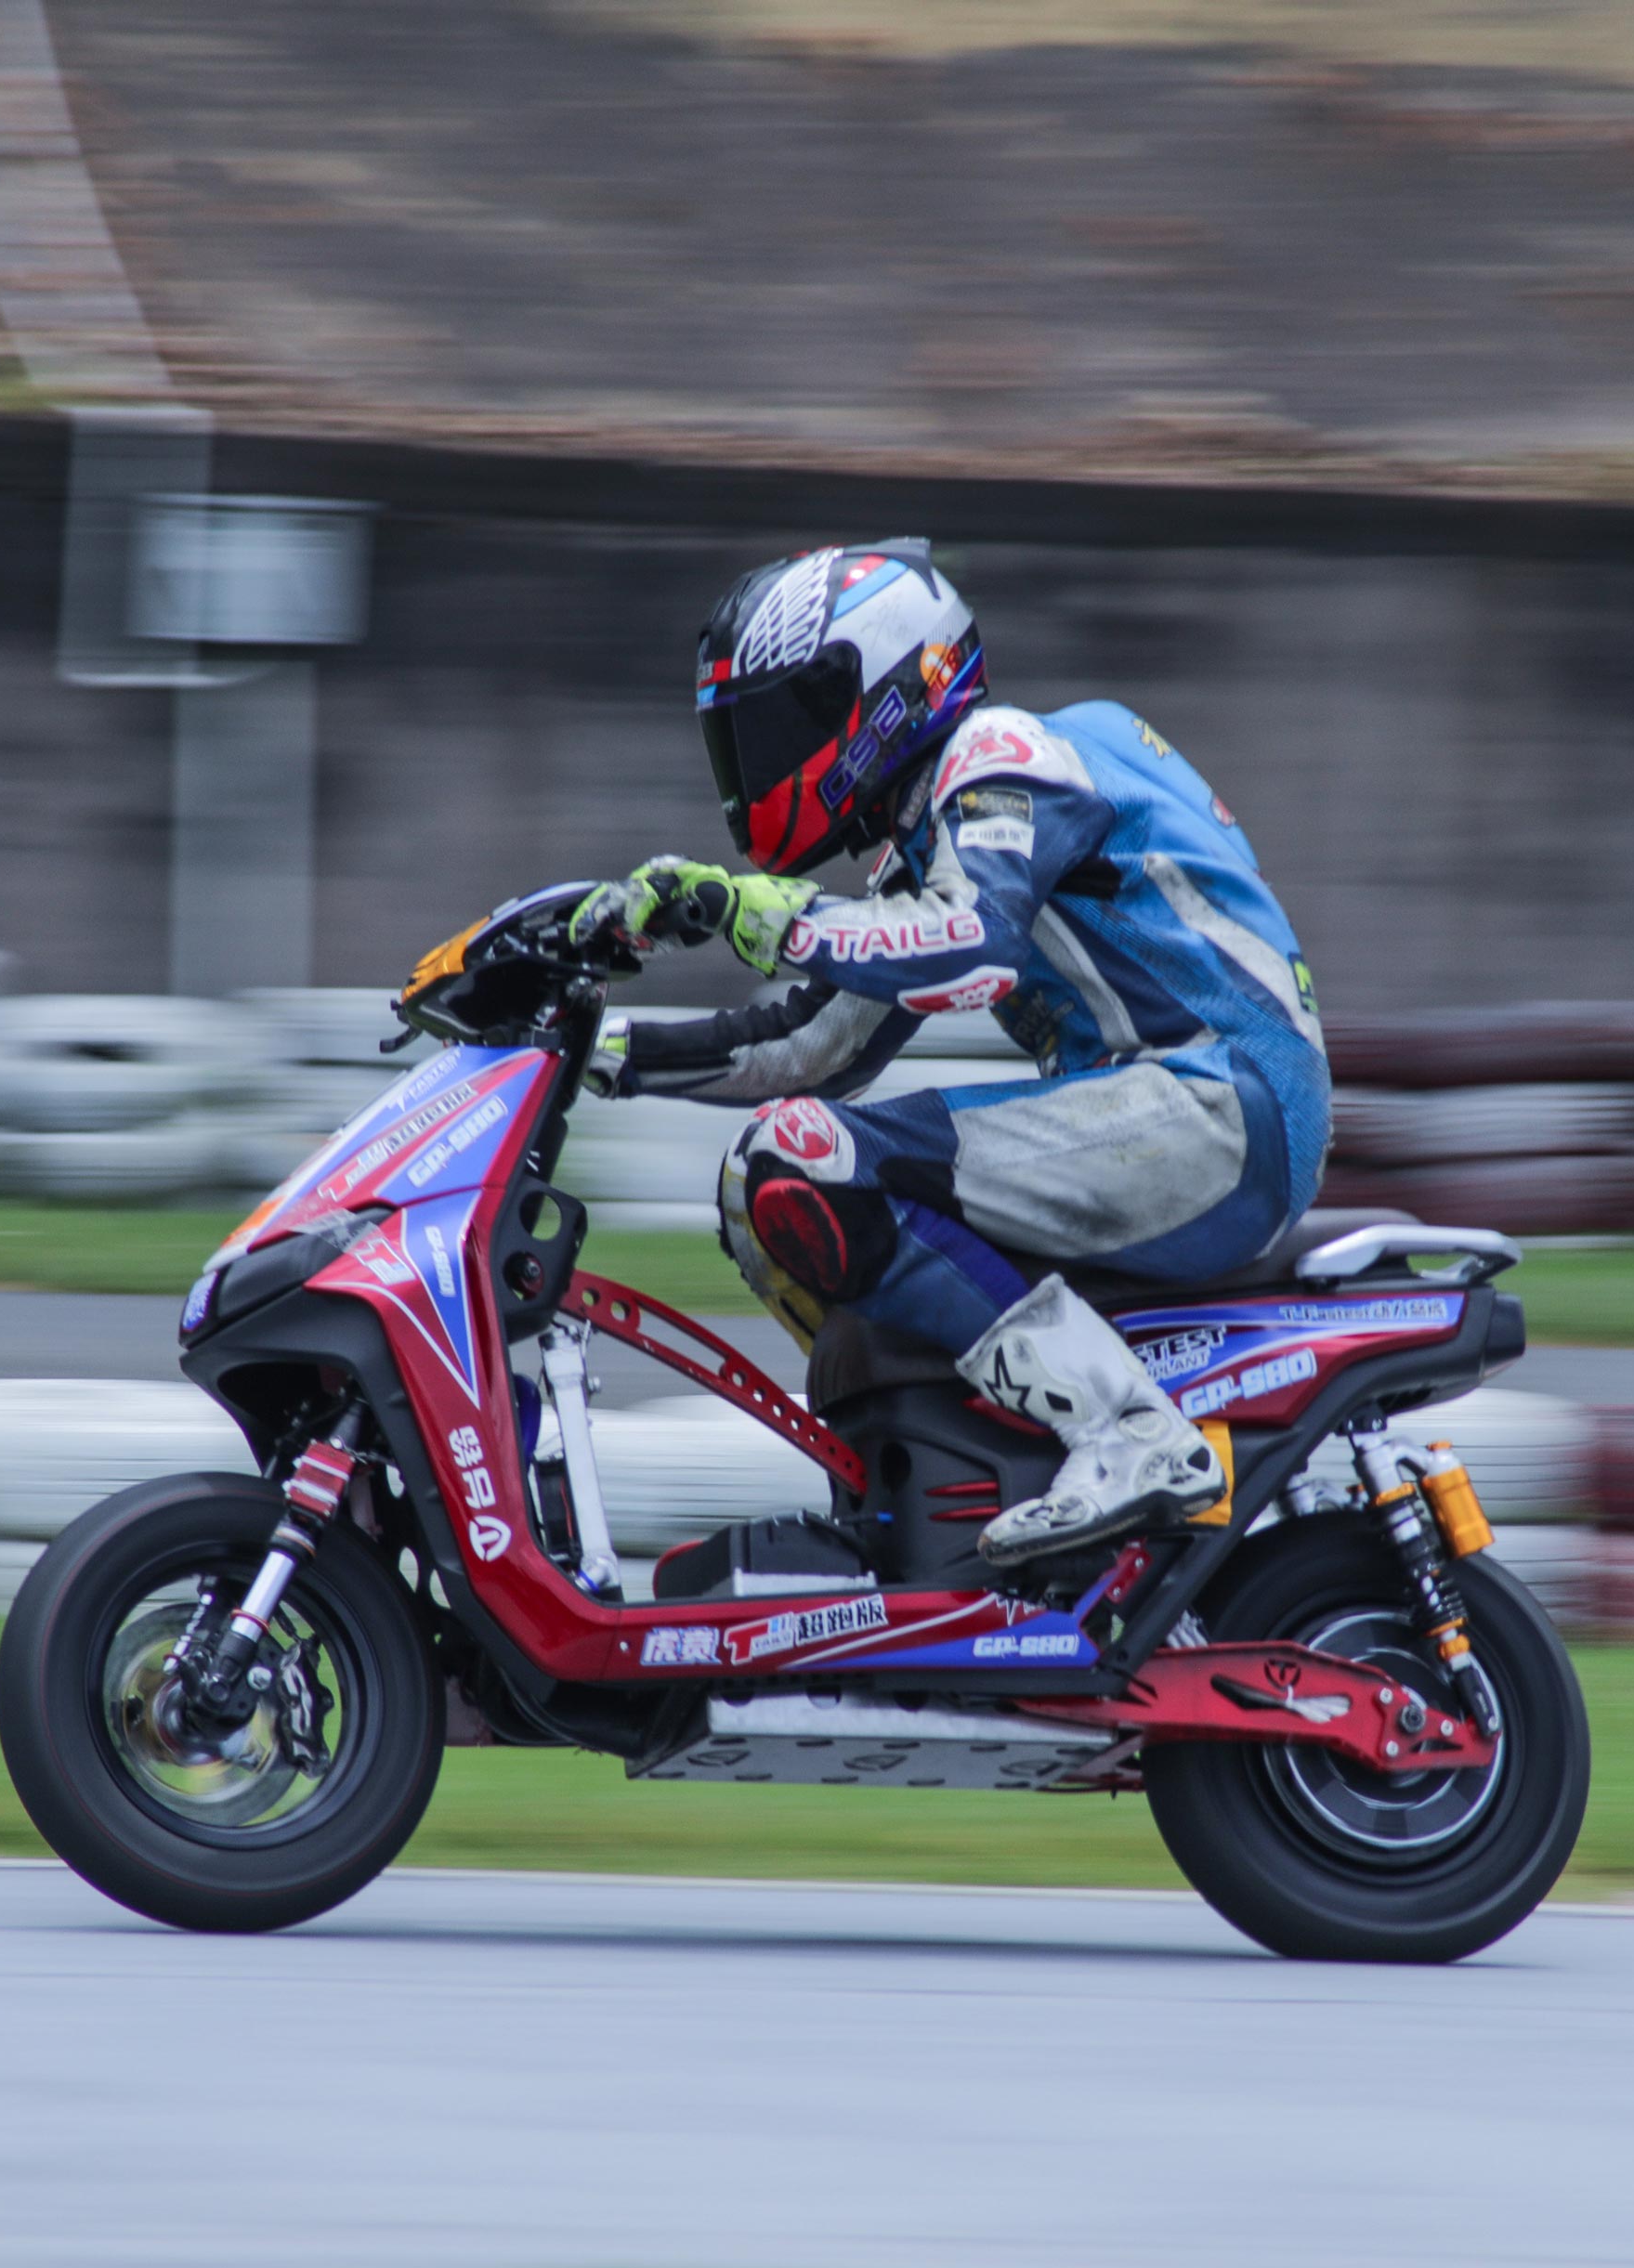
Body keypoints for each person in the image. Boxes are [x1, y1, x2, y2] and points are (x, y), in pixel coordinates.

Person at [568, 539, 1329, 1563]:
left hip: (1219, 1107)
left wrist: (764, 913)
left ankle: (1128, 1433)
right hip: (1176, 1111)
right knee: (766, 1184)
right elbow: (812, 1048)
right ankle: (939, 1478)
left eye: (783, 721)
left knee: (802, 1156)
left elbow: (971, 943)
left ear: (878, 687)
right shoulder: (941, 821)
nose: (758, 759)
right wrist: (584, 1047)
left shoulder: (1003, 752)